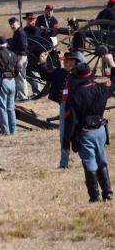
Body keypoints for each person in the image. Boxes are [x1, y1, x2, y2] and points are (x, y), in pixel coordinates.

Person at [63, 57, 115, 202]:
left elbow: (71, 121)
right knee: (102, 161)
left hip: (85, 133)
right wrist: (111, 63)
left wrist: (66, 141)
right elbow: (114, 80)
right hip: (101, 131)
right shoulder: (102, 88)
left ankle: (94, 196)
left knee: (90, 164)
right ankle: (108, 192)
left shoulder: (75, 96)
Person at [38, 51, 86, 169]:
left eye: (67, 60)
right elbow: (46, 74)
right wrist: (43, 62)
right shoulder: (60, 72)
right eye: (64, 60)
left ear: (74, 62)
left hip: (78, 107)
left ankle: (87, 159)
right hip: (64, 106)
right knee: (64, 135)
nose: (64, 62)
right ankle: (64, 163)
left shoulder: (81, 74)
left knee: (81, 134)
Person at [8, 17, 29, 101]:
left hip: (21, 56)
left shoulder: (19, 32)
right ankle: (22, 96)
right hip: (21, 56)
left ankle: (23, 97)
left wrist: (14, 49)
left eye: (13, 23)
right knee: (20, 76)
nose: (12, 25)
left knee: (20, 77)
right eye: (11, 24)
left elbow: (24, 46)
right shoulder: (18, 32)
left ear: (17, 23)